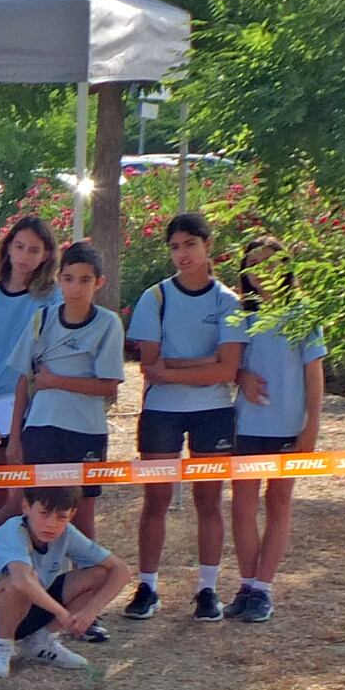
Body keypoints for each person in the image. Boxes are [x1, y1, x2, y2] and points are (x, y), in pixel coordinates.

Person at [124, 211, 246, 621]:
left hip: (213, 412)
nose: (182, 255)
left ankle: (207, 589)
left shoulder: (227, 301)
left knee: (208, 500)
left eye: (190, 245)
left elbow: (228, 371)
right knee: (155, 500)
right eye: (175, 247)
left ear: (207, 246)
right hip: (162, 411)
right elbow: (150, 366)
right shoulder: (155, 298)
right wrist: (204, 362)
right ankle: (148, 585)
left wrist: (178, 369)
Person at [229, 238, 325, 624]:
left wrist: (312, 425)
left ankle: (264, 588)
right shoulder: (239, 313)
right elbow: (228, 363)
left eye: (269, 263)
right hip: (247, 425)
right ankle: (248, 584)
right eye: (253, 264)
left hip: (289, 425)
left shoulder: (302, 311)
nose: (261, 271)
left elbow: (313, 372)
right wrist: (241, 377)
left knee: (278, 503)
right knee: (242, 506)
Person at [13, 239, 124, 542]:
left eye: (85, 280)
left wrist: (55, 381)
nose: (76, 288)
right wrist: (14, 437)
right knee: (36, 509)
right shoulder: (43, 319)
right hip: (42, 427)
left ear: (99, 283)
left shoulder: (107, 324)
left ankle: (82, 581)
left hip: (85, 429)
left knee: (82, 512)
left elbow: (108, 385)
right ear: (59, 279)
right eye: (69, 278)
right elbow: (23, 379)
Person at [0, 485, 130, 679]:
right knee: (22, 581)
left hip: (33, 604)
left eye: (61, 516)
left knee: (101, 574)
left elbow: (122, 570)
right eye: (44, 513)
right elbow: (21, 581)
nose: (51, 524)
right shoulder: (12, 532)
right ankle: (1, 646)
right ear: (26, 507)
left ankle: (41, 641)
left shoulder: (67, 533)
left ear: (72, 514)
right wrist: (62, 613)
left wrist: (89, 612)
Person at [0, 213, 62, 475]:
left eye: (33, 250)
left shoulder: (54, 297)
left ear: (46, 255)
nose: (25, 256)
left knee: (35, 488)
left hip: (40, 402)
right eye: (19, 247)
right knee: (3, 485)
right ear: (8, 247)